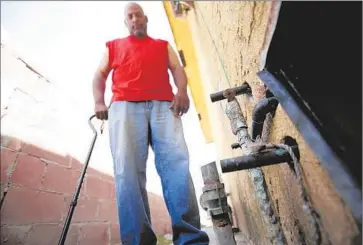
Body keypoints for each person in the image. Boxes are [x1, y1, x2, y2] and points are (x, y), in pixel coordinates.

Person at [92, 2, 209, 245]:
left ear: (146, 19)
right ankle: (138, 241)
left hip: (163, 106)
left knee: (177, 168)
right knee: (128, 175)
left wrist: (182, 92)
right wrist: (98, 102)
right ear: (126, 22)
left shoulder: (162, 45)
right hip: (124, 107)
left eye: (138, 15)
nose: (135, 19)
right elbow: (99, 75)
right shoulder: (113, 46)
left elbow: (177, 69)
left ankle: (191, 239)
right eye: (130, 16)